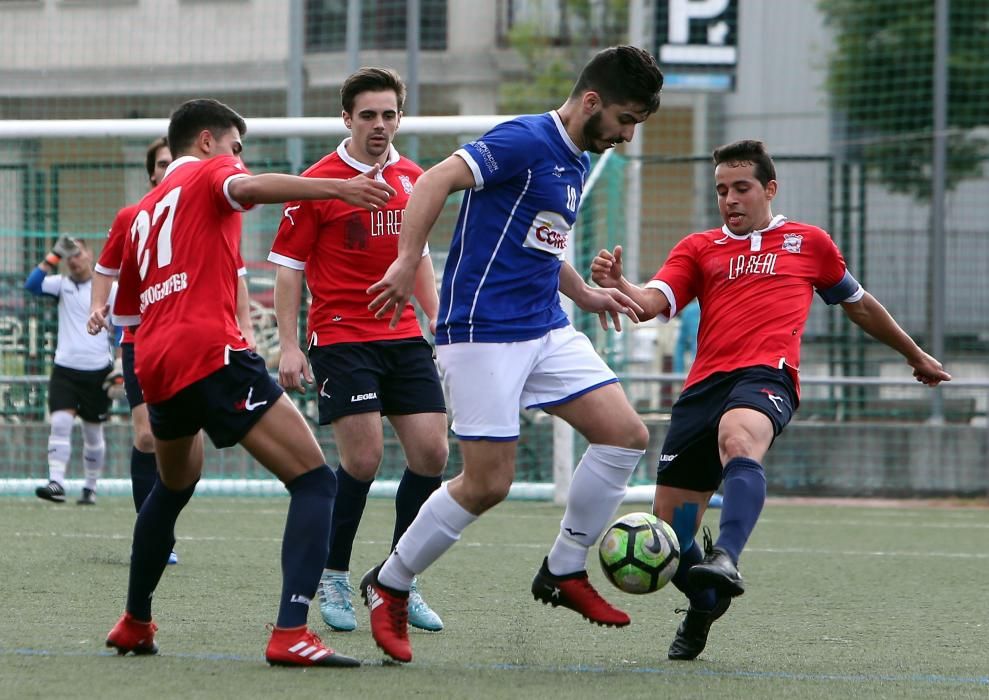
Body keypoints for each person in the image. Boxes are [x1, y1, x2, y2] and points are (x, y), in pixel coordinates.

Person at [589, 138, 951, 661]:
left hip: (767, 376)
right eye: (721, 190)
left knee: (739, 438)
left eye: (741, 188)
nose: (730, 199)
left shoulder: (809, 243)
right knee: (668, 533)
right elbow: (653, 302)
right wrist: (623, 284)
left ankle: (728, 557)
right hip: (701, 390)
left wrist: (915, 355)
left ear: (769, 189)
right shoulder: (698, 247)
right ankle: (706, 600)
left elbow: (860, 304)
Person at [363, 45, 665, 663]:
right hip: (482, 332)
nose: (628, 136)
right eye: (626, 119)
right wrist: (403, 260)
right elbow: (434, 180)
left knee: (625, 435)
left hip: (545, 328)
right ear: (591, 103)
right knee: (487, 483)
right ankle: (388, 584)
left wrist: (583, 292)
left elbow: (541, 242)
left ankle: (564, 568)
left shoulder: (577, 159)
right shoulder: (526, 140)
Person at [95, 98, 394, 667]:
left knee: (173, 487)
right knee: (315, 483)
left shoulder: (142, 211)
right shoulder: (212, 172)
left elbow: (126, 317)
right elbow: (250, 189)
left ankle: (135, 620)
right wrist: (338, 190)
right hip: (210, 352)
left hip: (156, 364)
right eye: (236, 146)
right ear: (207, 142)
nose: (240, 158)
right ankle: (290, 633)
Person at [269, 67, 448, 634]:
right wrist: (290, 345)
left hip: (401, 336)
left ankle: (396, 578)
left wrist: (437, 316)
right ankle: (333, 573)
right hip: (342, 334)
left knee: (432, 456)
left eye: (389, 114)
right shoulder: (318, 183)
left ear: (401, 117)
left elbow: (415, 256)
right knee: (364, 459)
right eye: (368, 115)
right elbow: (289, 271)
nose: (379, 125)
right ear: (347, 118)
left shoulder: (415, 178)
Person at [90, 136, 256, 566]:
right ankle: (153, 537)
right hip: (142, 340)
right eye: (162, 163)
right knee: (146, 435)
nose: (169, 168)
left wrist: (246, 327)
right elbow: (105, 269)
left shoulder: (203, 209)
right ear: (151, 172)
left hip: (192, 342)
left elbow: (235, 274)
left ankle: (158, 529)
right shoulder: (134, 216)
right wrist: (96, 308)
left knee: (184, 451)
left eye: (173, 160)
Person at [25, 237, 115, 505]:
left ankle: (90, 487)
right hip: (65, 368)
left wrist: (121, 364)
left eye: (78, 253)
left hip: (98, 369)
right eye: (69, 256)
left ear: (89, 255)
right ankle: (57, 483)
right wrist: (53, 256)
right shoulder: (61, 285)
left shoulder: (110, 288)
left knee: (92, 432)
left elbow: (123, 324)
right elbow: (32, 285)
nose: (74, 260)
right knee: (61, 423)